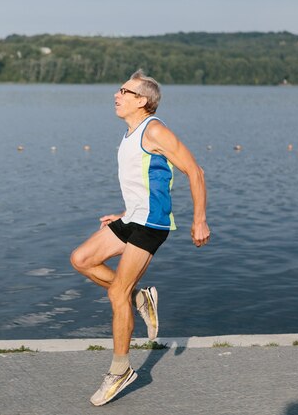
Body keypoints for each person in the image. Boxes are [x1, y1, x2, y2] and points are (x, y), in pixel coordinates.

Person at [70, 69, 210, 406]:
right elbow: (144, 183)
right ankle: (140, 298)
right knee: (82, 259)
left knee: (116, 293)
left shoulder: (155, 130)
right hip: (133, 217)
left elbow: (195, 171)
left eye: (124, 91)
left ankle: (120, 370)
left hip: (151, 224)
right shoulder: (131, 133)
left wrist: (200, 220)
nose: (116, 95)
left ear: (142, 101)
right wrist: (122, 213)